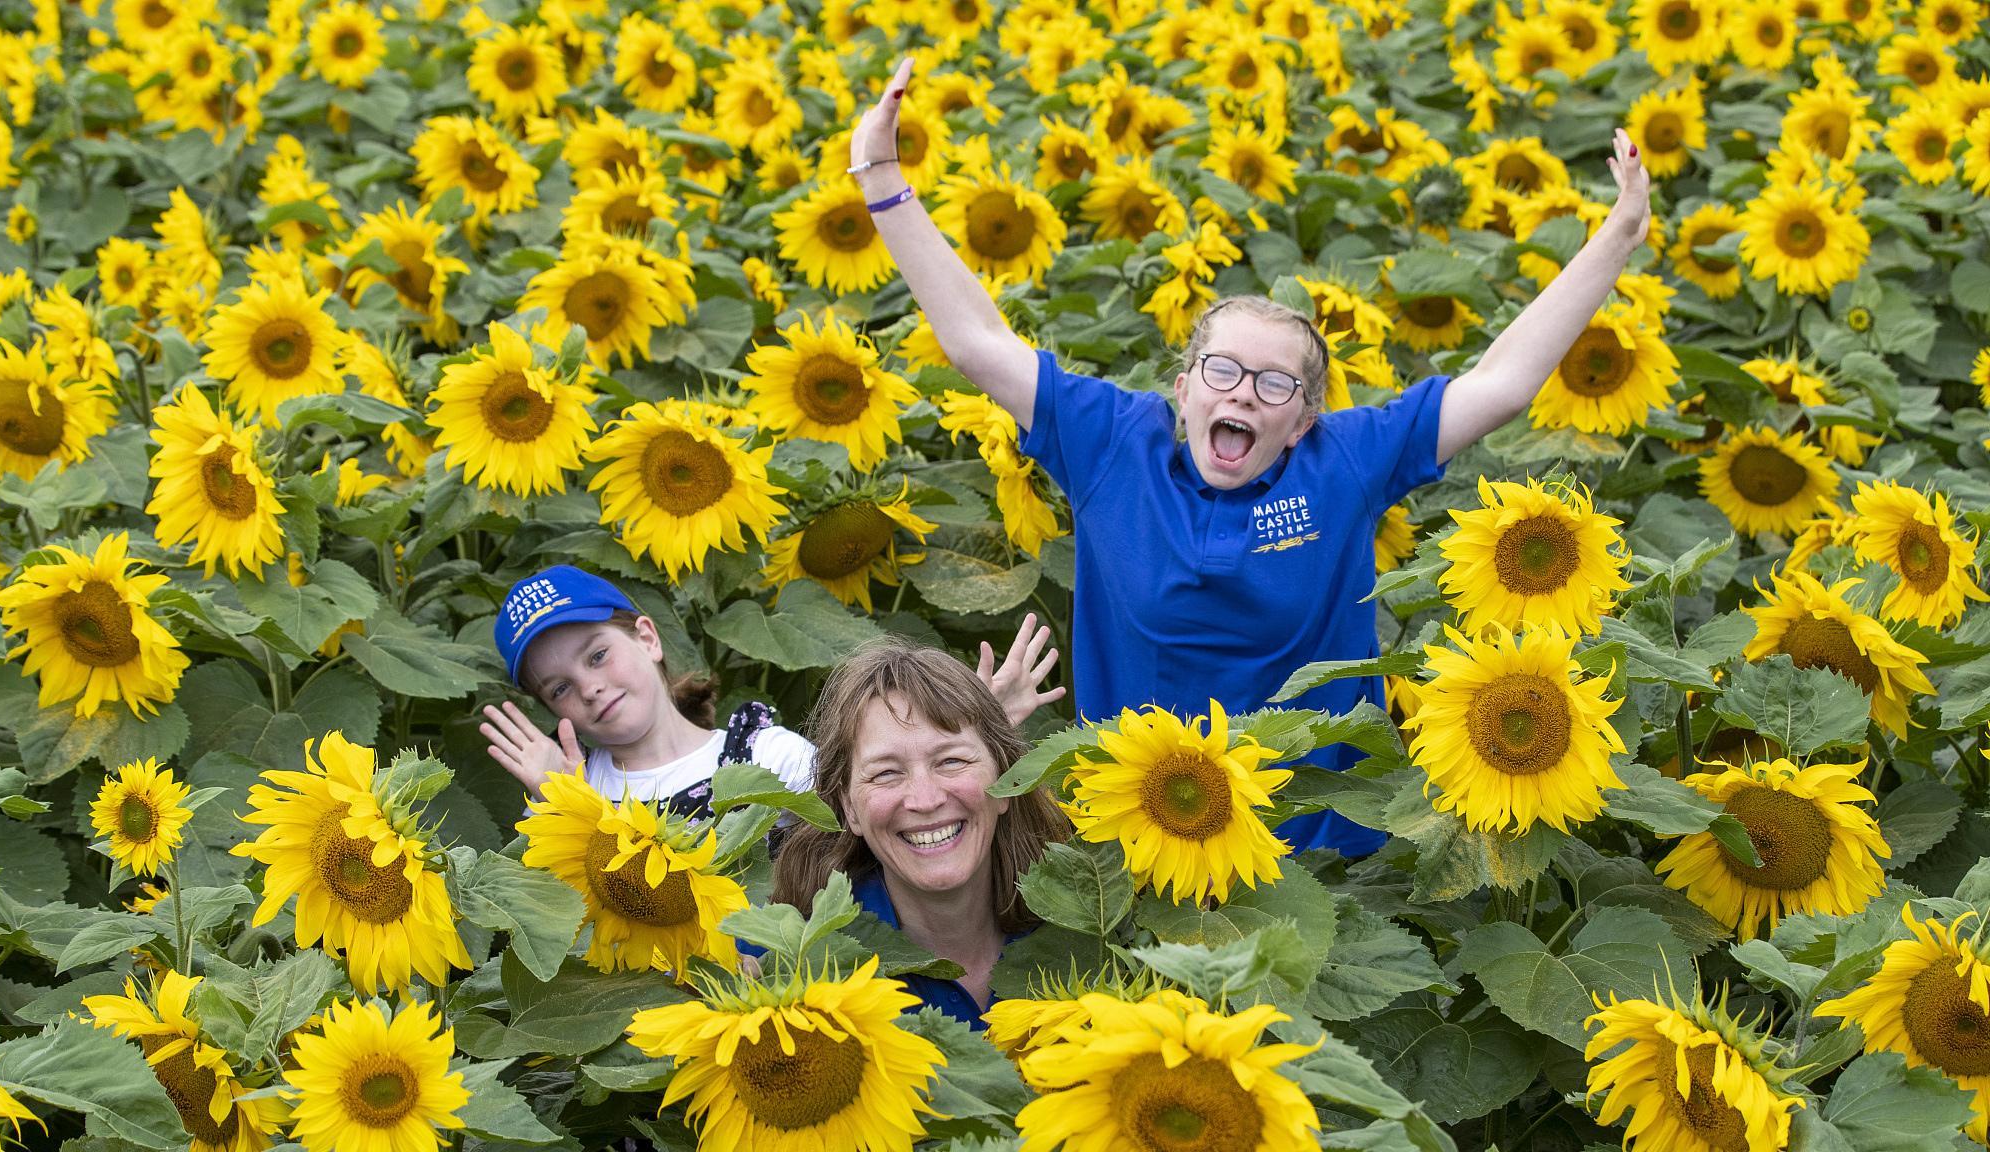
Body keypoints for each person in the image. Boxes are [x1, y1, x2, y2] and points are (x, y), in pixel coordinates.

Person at [846, 58, 1654, 854]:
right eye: (1222, 372)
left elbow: (1503, 383)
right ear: (1184, 388)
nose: (1241, 396)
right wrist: (880, 174)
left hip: (1320, 849)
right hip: (1139, 836)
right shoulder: (1113, 445)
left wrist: (1617, 236)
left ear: (1305, 421)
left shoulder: (1342, 464)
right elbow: (977, 341)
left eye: (1275, 386)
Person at [481, 564, 1065, 815]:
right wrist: (559, 806)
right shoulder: (579, 789)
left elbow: (874, 809)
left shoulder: (760, 753)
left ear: (648, 637)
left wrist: (977, 732)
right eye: (559, 688)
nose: (589, 688)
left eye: (598, 655)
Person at [773, 637, 1070, 1027]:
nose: (925, 799)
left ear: (1007, 782)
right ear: (849, 808)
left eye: (951, 761)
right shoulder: (792, 965)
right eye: (886, 773)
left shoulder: (1089, 928)